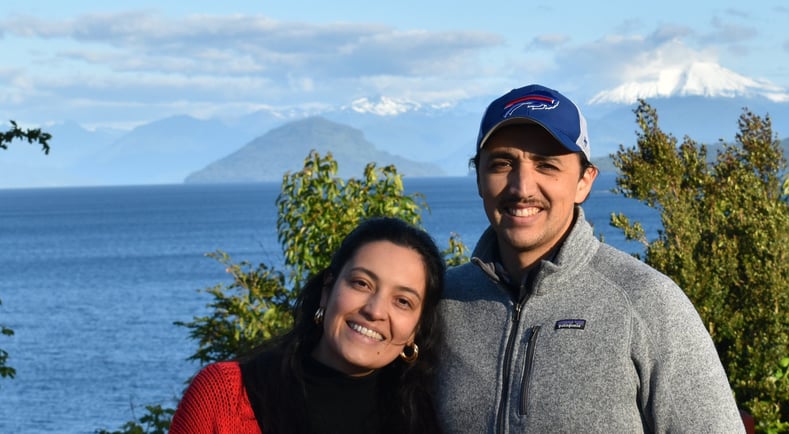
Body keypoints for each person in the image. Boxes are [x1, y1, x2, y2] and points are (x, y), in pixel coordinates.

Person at [435, 84, 746, 432]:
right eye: (502, 163)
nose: (522, 188)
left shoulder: (645, 302)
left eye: (546, 165)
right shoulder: (442, 301)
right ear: (479, 177)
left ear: (584, 181)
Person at [169, 217, 445, 434]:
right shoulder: (225, 396)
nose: (375, 311)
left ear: (416, 329)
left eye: (403, 301)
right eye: (361, 284)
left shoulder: (434, 417)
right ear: (327, 290)